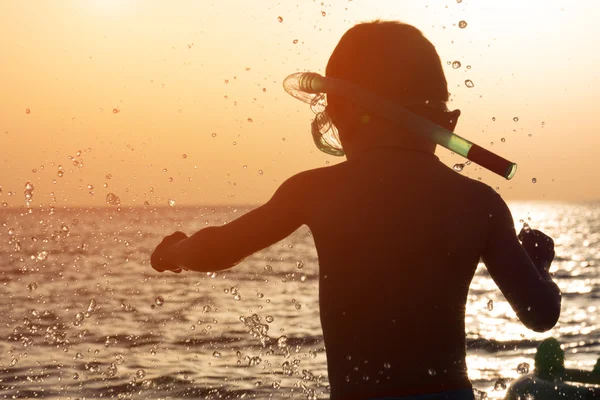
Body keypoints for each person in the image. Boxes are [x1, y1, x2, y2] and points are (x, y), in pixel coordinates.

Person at [150, 20, 561, 400]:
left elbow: (220, 248)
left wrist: (176, 252)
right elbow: (540, 315)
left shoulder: (317, 190)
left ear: (340, 112)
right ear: (443, 120)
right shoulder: (478, 202)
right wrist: (538, 267)